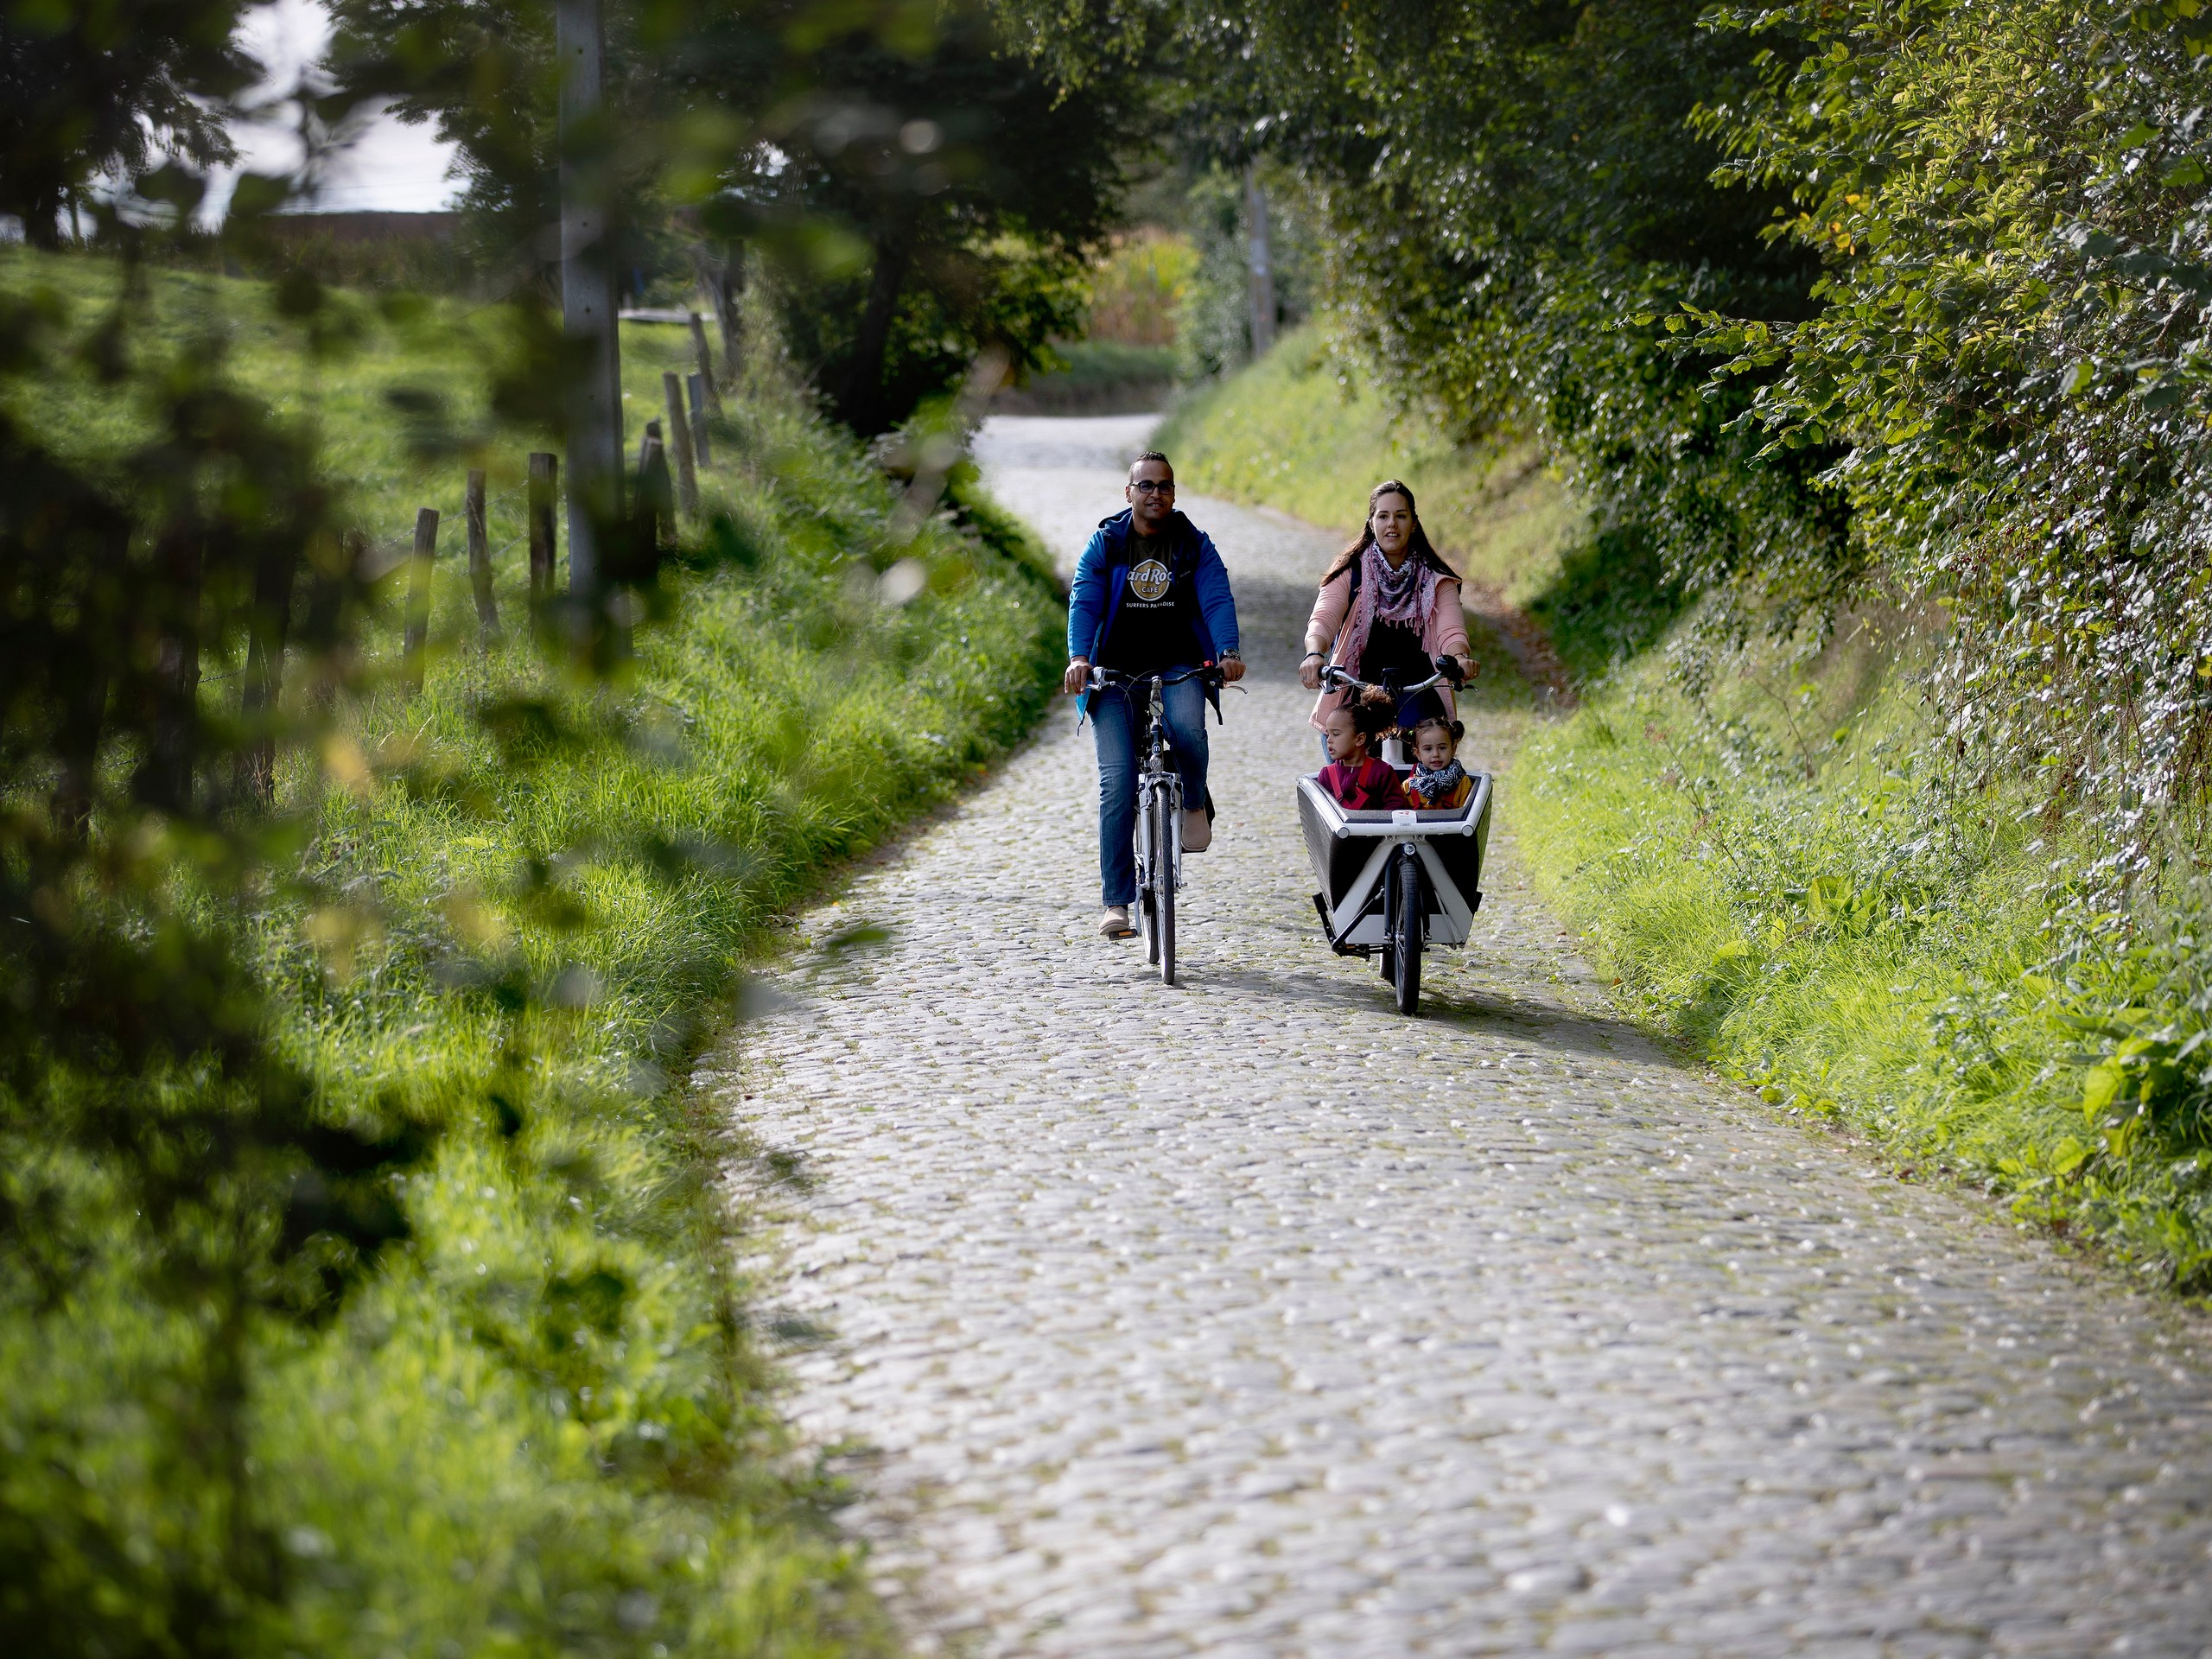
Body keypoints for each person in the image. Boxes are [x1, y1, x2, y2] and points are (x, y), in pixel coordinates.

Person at [1065, 450, 1245, 939]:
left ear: (1173, 492)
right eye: (1145, 485)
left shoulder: (1192, 544)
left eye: (1164, 485)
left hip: (1178, 664)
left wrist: (1227, 650)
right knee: (1118, 782)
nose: (1155, 493)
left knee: (1188, 729)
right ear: (1129, 494)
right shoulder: (1107, 543)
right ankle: (1117, 904)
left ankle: (1191, 802)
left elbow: (1216, 595)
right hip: (1113, 671)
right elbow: (1084, 597)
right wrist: (1079, 658)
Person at [1299, 479, 1476, 742]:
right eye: (1383, 516)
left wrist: (1460, 659)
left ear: (1413, 523)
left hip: (1418, 692)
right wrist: (1314, 654)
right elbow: (1324, 619)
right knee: (1342, 753)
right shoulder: (1351, 570)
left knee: (1429, 748)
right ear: (1371, 523)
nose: (1392, 524)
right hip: (1357, 687)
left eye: (1400, 516)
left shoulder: (1436, 579)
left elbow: (1450, 631)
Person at [1317, 696, 1409, 811]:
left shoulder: (1381, 771)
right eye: (1328, 734)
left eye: (1335, 734)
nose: (1329, 740)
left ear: (1360, 739)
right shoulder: (1326, 775)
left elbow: (1395, 806)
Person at [1404, 714, 1472, 809]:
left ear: (1453, 749)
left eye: (1442, 748)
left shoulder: (1463, 784)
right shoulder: (1408, 787)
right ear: (1418, 753)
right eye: (1428, 749)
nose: (1436, 754)